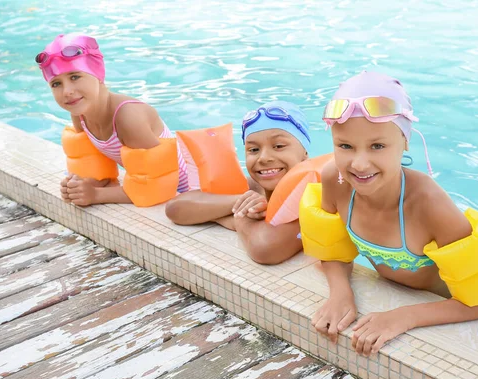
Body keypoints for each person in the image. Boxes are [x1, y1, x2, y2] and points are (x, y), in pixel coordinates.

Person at [308, 71, 478, 355]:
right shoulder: (335, 180)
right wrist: (340, 292)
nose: (359, 164)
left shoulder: (429, 205)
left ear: (405, 142)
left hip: (447, 309)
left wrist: (404, 317)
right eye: (345, 146)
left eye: (378, 146)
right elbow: (332, 250)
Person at [36, 33, 189, 206]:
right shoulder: (80, 113)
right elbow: (98, 173)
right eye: (56, 84)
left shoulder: (127, 117)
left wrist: (95, 195)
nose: (67, 91)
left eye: (75, 77)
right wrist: (78, 186)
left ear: (98, 74)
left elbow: (154, 187)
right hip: (160, 185)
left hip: (191, 187)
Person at [166, 101, 310, 264]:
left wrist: (238, 218)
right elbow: (175, 209)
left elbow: (265, 249)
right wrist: (240, 202)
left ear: (304, 152)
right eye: (253, 150)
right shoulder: (256, 188)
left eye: (278, 146)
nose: (263, 158)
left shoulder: (310, 195)